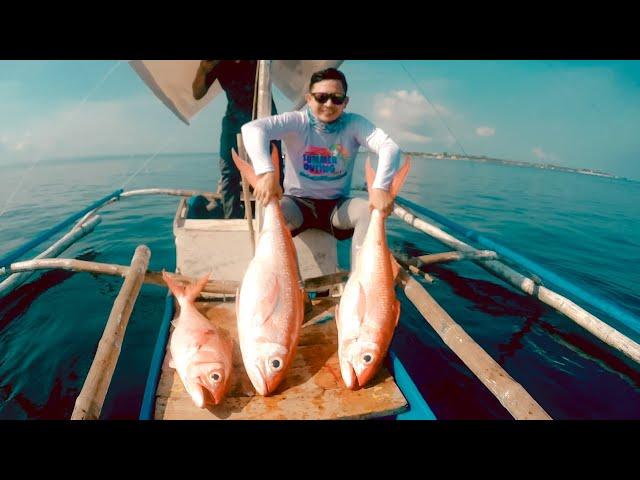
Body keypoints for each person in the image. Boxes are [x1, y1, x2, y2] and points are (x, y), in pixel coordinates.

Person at [241, 67, 401, 270]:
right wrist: (265, 173)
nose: (328, 104)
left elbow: (389, 147)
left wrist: (380, 187)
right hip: (297, 203)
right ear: (308, 99)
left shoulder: (353, 124)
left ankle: (360, 284)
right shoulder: (297, 121)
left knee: (368, 212)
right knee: (274, 214)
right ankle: (292, 291)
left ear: (345, 102)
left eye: (336, 99)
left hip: (336, 206)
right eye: (321, 97)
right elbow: (252, 129)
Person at [192, 60, 281, 219]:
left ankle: (274, 218)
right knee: (228, 171)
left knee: (272, 169)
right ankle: (232, 219)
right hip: (234, 118)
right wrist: (204, 69)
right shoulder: (217, 62)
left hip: (265, 115)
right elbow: (197, 93)